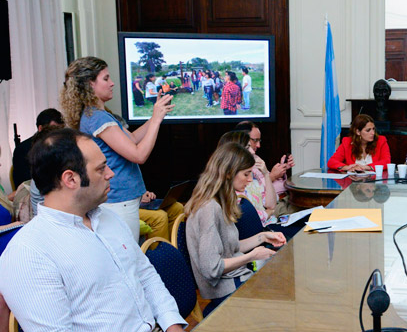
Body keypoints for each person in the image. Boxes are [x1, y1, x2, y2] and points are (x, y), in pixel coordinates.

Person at [0, 128, 186, 332]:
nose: (111, 174)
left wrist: (172, 324)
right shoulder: (29, 252)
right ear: (70, 179)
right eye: (101, 169)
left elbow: (146, 276)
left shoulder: (108, 218)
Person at [60, 56, 175, 242]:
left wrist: (156, 115)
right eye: (106, 78)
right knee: (127, 255)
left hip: (120, 199)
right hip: (118, 200)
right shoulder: (98, 118)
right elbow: (139, 154)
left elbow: (132, 139)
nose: (112, 83)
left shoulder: (99, 115)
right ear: (90, 85)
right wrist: (155, 119)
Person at [184, 142, 286, 316]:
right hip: (226, 288)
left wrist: (263, 237)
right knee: (281, 300)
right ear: (229, 173)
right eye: (246, 174)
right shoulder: (209, 208)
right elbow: (212, 268)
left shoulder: (220, 200)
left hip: (235, 278)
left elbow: (228, 248)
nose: (249, 179)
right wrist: (253, 255)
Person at [12, 108, 64, 186]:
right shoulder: (22, 150)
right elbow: (23, 183)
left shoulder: (64, 145)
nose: (58, 134)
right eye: (53, 129)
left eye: (60, 130)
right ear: (40, 128)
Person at [327, 114, 391, 172]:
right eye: (368, 130)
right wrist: (346, 167)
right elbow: (331, 162)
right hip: (352, 182)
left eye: (373, 129)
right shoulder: (347, 142)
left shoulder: (381, 140)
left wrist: (367, 167)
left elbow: (387, 161)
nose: (373, 133)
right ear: (358, 132)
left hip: (374, 182)